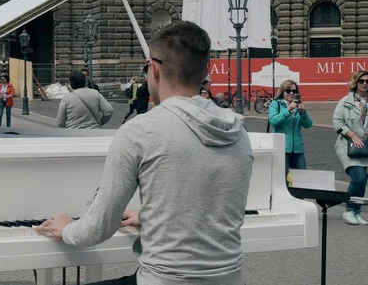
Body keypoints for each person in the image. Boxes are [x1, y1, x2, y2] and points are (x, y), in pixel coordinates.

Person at [34, 21, 253, 285]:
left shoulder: (141, 131)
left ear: (155, 68)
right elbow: (203, 199)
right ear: (205, 71)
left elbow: (97, 229)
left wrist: (67, 228)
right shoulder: (237, 129)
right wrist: (153, 216)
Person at [333, 70, 368, 225]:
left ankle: (357, 211)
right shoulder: (345, 102)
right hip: (348, 145)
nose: (365, 84)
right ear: (356, 83)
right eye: (362, 81)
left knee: (363, 181)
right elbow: (338, 122)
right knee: (358, 177)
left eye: (367, 81)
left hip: (365, 147)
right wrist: (353, 135)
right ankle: (348, 210)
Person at [268, 79, 313, 176]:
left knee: (301, 179)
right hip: (282, 148)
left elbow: (308, 125)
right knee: (282, 179)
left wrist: (303, 112)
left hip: (298, 149)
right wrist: (288, 110)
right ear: (282, 92)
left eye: (294, 91)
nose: (291, 93)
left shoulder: (298, 106)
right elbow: (273, 121)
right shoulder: (276, 104)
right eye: (288, 91)